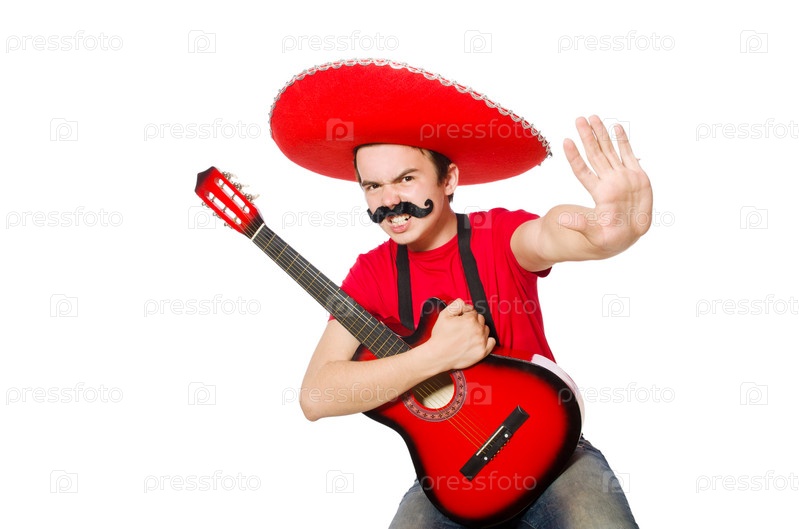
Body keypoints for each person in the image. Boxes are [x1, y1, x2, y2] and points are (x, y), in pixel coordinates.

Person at [269, 58, 650, 528]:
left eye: (406, 179)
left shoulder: (497, 235)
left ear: (448, 180)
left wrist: (610, 231)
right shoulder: (370, 274)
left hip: (553, 453)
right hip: (455, 478)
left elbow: (551, 234)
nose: (389, 201)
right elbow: (316, 395)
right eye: (373, 186)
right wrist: (435, 355)